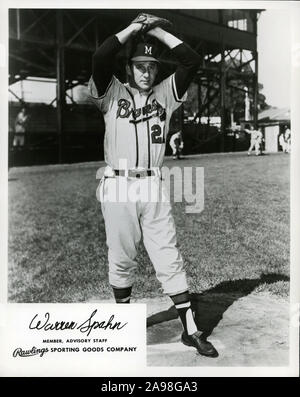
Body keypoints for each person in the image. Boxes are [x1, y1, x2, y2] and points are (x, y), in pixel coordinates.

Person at [88, 13, 218, 358]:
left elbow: (193, 59)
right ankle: (122, 326)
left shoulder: (166, 93)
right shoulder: (111, 92)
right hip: (118, 183)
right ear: (130, 67)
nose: (146, 72)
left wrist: (155, 31)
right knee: (122, 257)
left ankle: (190, 330)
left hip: (154, 184)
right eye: (140, 65)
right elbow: (100, 57)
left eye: (152, 66)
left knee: (168, 254)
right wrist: (133, 27)